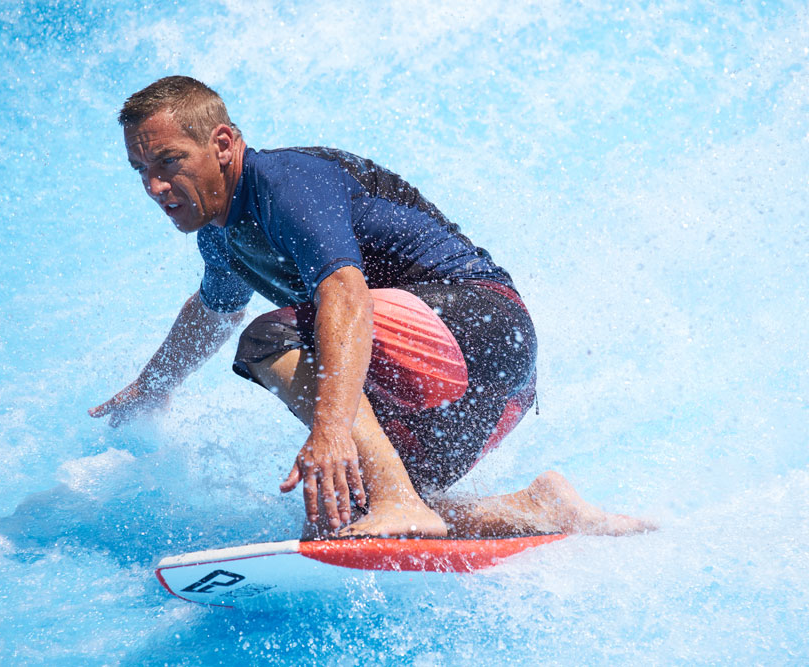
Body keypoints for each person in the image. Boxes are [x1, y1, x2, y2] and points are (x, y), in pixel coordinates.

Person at [89, 76, 653, 539]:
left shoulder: (286, 184)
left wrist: (331, 431)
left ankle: (399, 499)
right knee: (346, 515)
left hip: (481, 325)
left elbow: (344, 292)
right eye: (142, 171)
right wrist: (151, 388)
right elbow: (210, 311)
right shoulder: (220, 236)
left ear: (222, 143)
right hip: (484, 390)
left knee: (270, 339)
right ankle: (541, 508)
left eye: (169, 161)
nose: (156, 186)